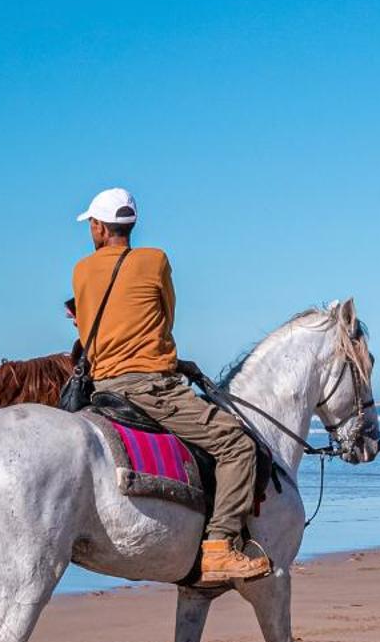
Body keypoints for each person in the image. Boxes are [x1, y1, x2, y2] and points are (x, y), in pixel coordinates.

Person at [69, 187, 270, 583]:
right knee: (238, 444)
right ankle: (218, 546)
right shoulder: (155, 260)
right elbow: (164, 320)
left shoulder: (81, 270)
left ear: (98, 226)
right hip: (149, 387)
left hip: (103, 384)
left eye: (91, 223)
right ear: (129, 225)